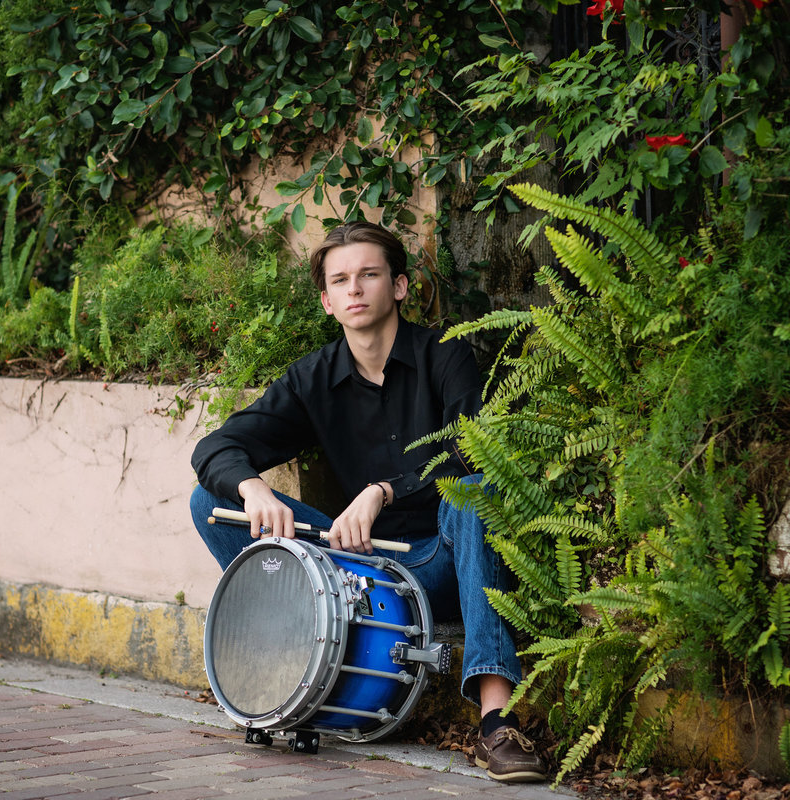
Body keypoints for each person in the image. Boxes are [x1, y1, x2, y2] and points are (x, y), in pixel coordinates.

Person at [189, 221, 547, 783]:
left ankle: (496, 722)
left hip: (440, 560)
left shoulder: (445, 356)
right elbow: (217, 447)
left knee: (478, 494)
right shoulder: (314, 379)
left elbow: (471, 452)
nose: (354, 288)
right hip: (356, 569)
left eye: (368, 275)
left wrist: (384, 491)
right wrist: (252, 487)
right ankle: (300, 663)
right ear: (327, 301)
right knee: (208, 505)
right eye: (341, 280)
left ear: (399, 286)